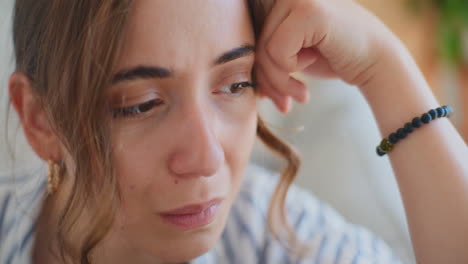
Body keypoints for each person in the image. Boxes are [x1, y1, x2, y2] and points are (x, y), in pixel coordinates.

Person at [1, 0, 467, 263]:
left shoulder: (274, 235)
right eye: (141, 105)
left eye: (236, 83)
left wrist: (383, 68)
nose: (207, 158)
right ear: (40, 119)